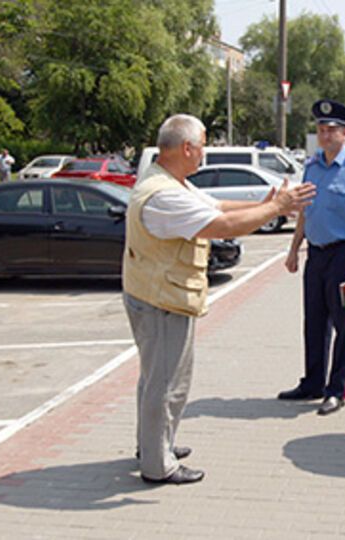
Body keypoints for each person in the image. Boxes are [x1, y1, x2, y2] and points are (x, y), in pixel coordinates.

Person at [123, 114, 315, 485]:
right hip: (162, 300)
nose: (205, 153)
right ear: (187, 148)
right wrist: (276, 209)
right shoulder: (165, 195)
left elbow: (219, 207)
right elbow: (222, 226)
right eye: (203, 145)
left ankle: (154, 444)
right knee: (166, 385)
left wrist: (266, 203)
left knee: (154, 380)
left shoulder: (169, 182)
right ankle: (157, 464)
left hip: (156, 293)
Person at [279, 99, 345, 416]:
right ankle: (312, 382)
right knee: (314, 321)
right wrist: (294, 249)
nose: (325, 135)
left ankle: (337, 389)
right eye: (321, 130)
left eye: (331, 130)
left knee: (344, 324)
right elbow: (305, 213)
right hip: (317, 254)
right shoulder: (312, 166)